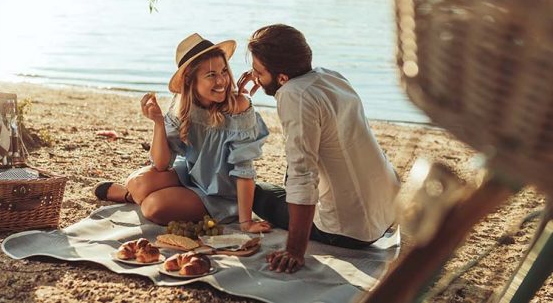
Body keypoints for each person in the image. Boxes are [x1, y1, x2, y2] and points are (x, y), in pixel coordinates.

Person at [237, 24, 400, 273]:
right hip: (387, 210)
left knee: (255, 194)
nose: (255, 77)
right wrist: (263, 75)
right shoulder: (330, 77)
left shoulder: (294, 95)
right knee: (278, 188)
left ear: (282, 77)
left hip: (349, 231)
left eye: (259, 72)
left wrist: (294, 250)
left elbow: (303, 176)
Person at [94, 33, 272, 233]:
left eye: (224, 71)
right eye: (211, 75)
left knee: (153, 207)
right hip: (190, 175)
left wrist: (245, 222)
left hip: (221, 194)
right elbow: (161, 164)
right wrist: (158, 123)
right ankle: (131, 194)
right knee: (136, 182)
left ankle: (133, 197)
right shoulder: (182, 106)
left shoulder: (239, 108)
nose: (222, 80)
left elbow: (244, 170)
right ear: (189, 80)